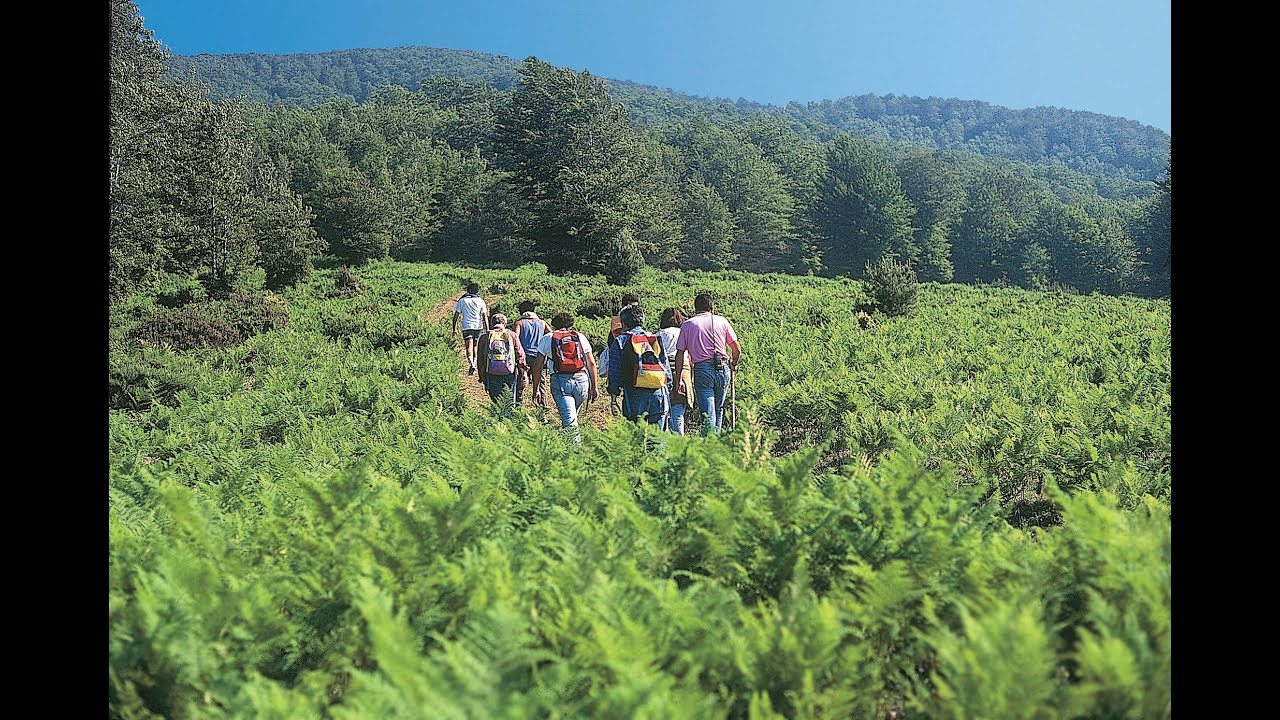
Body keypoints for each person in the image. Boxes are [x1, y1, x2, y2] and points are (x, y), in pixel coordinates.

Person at [673, 293, 740, 435]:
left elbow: (680, 354)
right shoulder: (722, 321)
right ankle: (716, 444)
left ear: (695, 308)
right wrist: (734, 363)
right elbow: (736, 349)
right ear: (711, 307)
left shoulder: (688, 325)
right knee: (718, 408)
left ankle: (709, 446)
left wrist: (678, 378)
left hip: (702, 369)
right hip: (723, 367)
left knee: (707, 412)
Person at [530, 312, 598, 444]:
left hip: (561, 382)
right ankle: (567, 445)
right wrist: (594, 387)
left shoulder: (547, 338)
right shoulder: (579, 337)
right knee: (571, 418)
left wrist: (536, 389)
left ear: (554, 324)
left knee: (570, 422)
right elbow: (591, 363)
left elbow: (538, 366)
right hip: (582, 381)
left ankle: (574, 455)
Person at [607, 304, 669, 427]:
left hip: (634, 394)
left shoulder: (621, 341)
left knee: (635, 438)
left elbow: (614, 372)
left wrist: (614, 398)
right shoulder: (654, 339)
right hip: (658, 392)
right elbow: (666, 369)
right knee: (657, 438)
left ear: (623, 323)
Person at [476, 312, 526, 417]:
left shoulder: (485, 337)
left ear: (491, 323)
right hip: (510, 373)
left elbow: (480, 360)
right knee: (508, 400)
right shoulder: (512, 335)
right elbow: (520, 356)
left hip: (492, 373)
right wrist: (522, 374)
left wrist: (482, 377)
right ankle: (508, 424)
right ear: (505, 323)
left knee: (497, 402)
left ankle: (499, 424)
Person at [511, 299, 552, 405]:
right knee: (540, 383)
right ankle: (542, 410)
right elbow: (552, 335)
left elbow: (515, 339)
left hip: (524, 357)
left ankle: (517, 406)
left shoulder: (519, 323)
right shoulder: (542, 323)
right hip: (540, 357)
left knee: (520, 382)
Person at [657, 307, 691, 435]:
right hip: (683, 370)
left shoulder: (659, 334)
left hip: (663, 371)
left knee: (663, 410)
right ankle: (679, 441)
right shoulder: (683, 332)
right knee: (678, 410)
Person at [451, 282, 489, 375]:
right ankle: (474, 364)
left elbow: (456, 315)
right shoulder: (481, 301)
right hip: (478, 326)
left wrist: (454, 329)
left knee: (468, 346)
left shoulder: (462, 301)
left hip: (467, 326)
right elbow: (484, 316)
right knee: (475, 346)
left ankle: (471, 364)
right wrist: (487, 329)